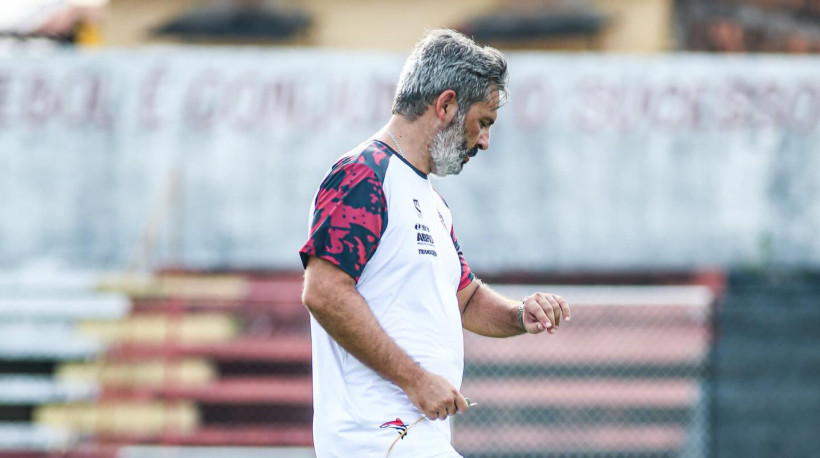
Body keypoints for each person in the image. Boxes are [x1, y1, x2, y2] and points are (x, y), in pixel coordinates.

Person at [299, 29, 571, 458]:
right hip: (374, 436)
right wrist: (415, 380)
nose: (485, 141)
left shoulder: (434, 203)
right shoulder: (364, 174)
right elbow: (323, 292)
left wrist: (521, 314)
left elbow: (466, 299)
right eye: (483, 122)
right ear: (445, 105)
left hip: (413, 437)